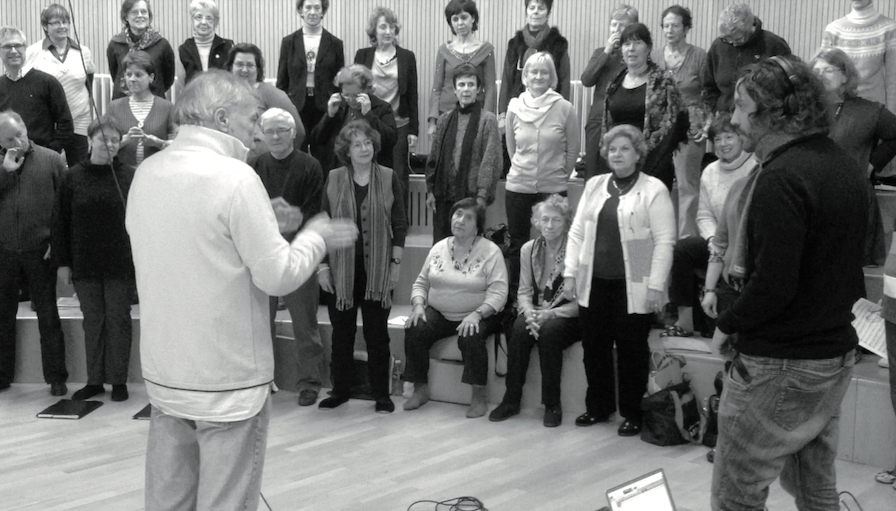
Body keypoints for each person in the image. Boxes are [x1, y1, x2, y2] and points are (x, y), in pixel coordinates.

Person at [125, 70, 357, 511]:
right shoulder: (236, 178)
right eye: (252, 118)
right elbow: (278, 277)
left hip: (166, 378)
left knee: (167, 503)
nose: (258, 128)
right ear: (221, 117)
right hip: (226, 387)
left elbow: (195, 238)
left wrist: (263, 220)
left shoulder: (146, 173)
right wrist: (316, 234)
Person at [710, 55, 869, 511]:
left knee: (736, 495)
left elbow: (774, 286)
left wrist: (729, 322)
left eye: (741, 107)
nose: (735, 118)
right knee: (815, 488)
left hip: (781, 363)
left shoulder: (780, 178)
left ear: (772, 110)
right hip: (832, 355)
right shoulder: (841, 164)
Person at [562, 124, 675, 437]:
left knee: (631, 350)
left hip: (635, 279)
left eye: (625, 148)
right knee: (594, 347)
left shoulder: (653, 189)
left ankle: (632, 412)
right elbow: (576, 232)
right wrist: (570, 273)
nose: (618, 154)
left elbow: (665, 241)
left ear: (638, 153)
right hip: (593, 279)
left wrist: (655, 284)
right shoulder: (596, 184)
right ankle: (598, 407)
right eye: (613, 149)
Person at [317, 120, 406, 414]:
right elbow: (322, 225)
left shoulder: (390, 177)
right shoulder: (333, 178)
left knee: (377, 336)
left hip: (377, 272)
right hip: (341, 271)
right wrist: (322, 268)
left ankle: (381, 394)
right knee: (341, 335)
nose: (364, 148)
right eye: (357, 144)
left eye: (367, 142)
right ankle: (339, 390)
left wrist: (395, 265)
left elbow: (400, 224)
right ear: (347, 150)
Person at [52, 117, 135, 403]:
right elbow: (59, 222)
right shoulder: (72, 177)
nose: (109, 144)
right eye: (103, 139)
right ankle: (95, 381)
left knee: (119, 320)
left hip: (120, 264)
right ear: (90, 140)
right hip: (84, 262)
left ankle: (119, 380)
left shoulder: (130, 176)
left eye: (114, 139)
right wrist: (63, 262)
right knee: (93, 322)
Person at [402, 198, 508, 418]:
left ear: (477, 226)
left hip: (480, 312)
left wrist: (477, 314)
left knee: (470, 335)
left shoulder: (490, 251)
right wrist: (419, 305)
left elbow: (499, 293)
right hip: (440, 312)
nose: (460, 220)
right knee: (415, 327)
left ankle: (479, 396)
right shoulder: (439, 247)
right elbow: (421, 283)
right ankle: (420, 389)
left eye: (468, 217)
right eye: (458, 214)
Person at [252, 108, 324, 407]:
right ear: (262, 135)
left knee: (304, 324)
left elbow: (311, 212)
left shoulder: (310, 166)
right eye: (270, 131)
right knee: (258, 322)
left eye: (282, 129)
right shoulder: (255, 166)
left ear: (293, 133)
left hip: (297, 255)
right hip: (262, 254)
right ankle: (261, 380)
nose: (276, 136)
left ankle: (309, 381)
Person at [488, 194, 579, 428]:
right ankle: (511, 399)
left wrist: (550, 313)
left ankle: (552, 404)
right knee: (519, 328)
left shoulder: (576, 252)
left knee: (549, 333)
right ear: (536, 222)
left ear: (566, 222)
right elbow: (524, 291)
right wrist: (528, 311)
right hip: (537, 311)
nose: (549, 225)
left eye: (556, 220)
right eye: (544, 219)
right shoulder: (529, 249)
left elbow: (581, 302)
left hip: (568, 314)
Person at [663, 113, 756, 338]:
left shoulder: (755, 167)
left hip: (745, 245)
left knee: (714, 332)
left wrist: (727, 244)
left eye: (729, 137)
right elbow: (703, 214)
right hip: (718, 242)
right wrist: (714, 240)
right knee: (682, 250)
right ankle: (684, 321)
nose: (723, 144)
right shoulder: (710, 171)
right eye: (718, 139)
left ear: (741, 138)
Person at [0, 110, 68, 396]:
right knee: (3, 317)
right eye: (10, 138)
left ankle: (56, 377)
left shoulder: (52, 159)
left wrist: (58, 241)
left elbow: (65, 206)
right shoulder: (2, 164)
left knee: (48, 316)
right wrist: (6, 171)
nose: (18, 140)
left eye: (20, 133)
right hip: (5, 250)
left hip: (41, 250)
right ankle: (2, 376)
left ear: (26, 126)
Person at [813, 47, 895, 266]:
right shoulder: (806, 111)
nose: (820, 74)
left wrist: (872, 164)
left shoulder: (869, 111)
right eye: (816, 70)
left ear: (845, 76)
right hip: (812, 200)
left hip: (851, 202)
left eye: (828, 70)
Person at [505, 52, 579, 293]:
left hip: (553, 188)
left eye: (544, 71)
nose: (538, 76)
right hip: (518, 187)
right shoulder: (514, 108)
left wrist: (558, 176)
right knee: (518, 245)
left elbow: (572, 150)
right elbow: (511, 148)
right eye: (533, 71)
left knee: (556, 244)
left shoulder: (565, 108)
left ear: (552, 77)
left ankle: (554, 294)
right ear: (525, 76)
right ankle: (519, 297)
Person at [601, 22, 685, 191]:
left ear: (648, 49)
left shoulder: (663, 81)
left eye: (637, 43)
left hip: (654, 167)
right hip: (621, 166)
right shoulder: (615, 83)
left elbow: (675, 125)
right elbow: (607, 126)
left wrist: (644, 160)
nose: (631, 49)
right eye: (626, 43)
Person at [426, 63, 502, 243]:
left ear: (479, 89)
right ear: (454, 89)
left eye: (471, 85)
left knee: (469, 248)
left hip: (472, 199)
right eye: (461, 85)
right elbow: (434, 157)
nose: (466, 90)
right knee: (442, 247)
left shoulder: (487, 120)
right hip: (443, 198)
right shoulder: (445, 119)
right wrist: (430, 190)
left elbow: (490, 160)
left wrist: (482, 196)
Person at [354, 7, 419, 208]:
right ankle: (372, 213)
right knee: (369, 168)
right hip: (370, 122)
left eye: (392, 27)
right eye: (383, 27)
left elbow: (413, 95)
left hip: (399, 124)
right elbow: (356, 89)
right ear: (374, 30)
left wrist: (414, 130)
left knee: (399, 173)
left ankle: (399, 220)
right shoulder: (363, 55)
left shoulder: (407, 57)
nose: (388, 31)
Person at [656, 5, 707, 239]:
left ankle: (686, 243)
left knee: (688, 187)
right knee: (656, 186)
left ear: (686, 28)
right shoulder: (655, 56)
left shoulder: (699, 56)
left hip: (691, 128)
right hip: (660, 129)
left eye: (675, 25)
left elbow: (711, 93)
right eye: (666, 25)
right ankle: (659, 239)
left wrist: (708, 124)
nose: (669, 30)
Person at [25, 4, 95, 167]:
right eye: (56, 22)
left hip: (79, 118)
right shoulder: (33, 52)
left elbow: (89, 81)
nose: (62, 26)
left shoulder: (83, 51)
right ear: (45, 26)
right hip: (48, 122)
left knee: (80, 167)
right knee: (48, 167)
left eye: (65, 22)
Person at [277, 0, 345, 151]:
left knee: (323, 152)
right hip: (296, 105)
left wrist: (336, 108)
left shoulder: (335, 43)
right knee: (296, 151)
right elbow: (282, 80)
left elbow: (340, 81)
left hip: (325, 107)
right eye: (308, 7)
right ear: (301, 10)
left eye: (317, 8)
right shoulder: (289, 42)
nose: (312, 12)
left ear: (323, 11)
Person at [701, 3, 791, 118]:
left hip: (762, 120)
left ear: (749, 26)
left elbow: (786, 88)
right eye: (727, 39)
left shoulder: (774, 45)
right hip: (725, 120)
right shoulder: (718, 47)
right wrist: (715, 111)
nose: (732, 43)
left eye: (737, 38)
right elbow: (708, 87)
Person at [581, 4, 638, 181]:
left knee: (618, 173)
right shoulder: (600, 53)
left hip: (622, 121)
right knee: (592, 172)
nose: (617, 30)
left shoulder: (635, 55)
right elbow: (586, 80)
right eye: (614, 24)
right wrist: (606, 52)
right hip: (597, 121)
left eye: (622, 26)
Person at [427, 0, 497, 140]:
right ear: (450, 23)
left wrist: (487, 119)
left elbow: (490, 88)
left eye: (464, 17)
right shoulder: (444, 51)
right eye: (455, 19)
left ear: (473, 18)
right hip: (446, 114)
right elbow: (437, 88)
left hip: (477, 115)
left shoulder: (486, 50)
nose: (460, 23)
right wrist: (433, 121)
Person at [0, 27, 73, 158]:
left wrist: (50, 152)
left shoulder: (48, 82)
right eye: (7, 47)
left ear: (25, 48)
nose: (13, 51)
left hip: (42, 157)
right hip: (6, 158)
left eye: (18, 45)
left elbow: (65, 123)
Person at [309, 64, 397, 171]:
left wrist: (369, 115)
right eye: (346, 95)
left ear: (367, 90)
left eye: (356, 95)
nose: (351, 100)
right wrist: (329, 116)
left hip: (372, 169)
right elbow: (316, 140)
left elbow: (391, 140)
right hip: (340, 170)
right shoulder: (339, 106)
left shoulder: (382, 107)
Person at [498, 0, 571, 117]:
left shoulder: (558, 43)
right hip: (518, 110)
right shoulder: (515, 43)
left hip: (549, 111)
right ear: (526, 12)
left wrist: (562, 113)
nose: (535, 12)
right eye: (532, 8)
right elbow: (506, 79)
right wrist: (502, 113)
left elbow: (564, 81)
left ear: (548, 13)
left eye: (541, 8)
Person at [822, 0, 896, 115]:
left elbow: (893, 80)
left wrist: (891, 117)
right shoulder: (833, 29)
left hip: (874, 113)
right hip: (839, 112)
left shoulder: (889, 28)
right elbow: (825, 77)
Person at [105, 51, 176, 168]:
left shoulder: (167, 107)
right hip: (122, 174)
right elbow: (104, 146)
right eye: (128, 75)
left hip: (157, 172)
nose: (132, 79)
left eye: (138, 75)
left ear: (151, 78)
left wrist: (157, 143)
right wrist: (125, 140)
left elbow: (177, 146)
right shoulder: (114, 107)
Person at [227, 43, 304, 149]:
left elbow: (298, 131)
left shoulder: (272, 94)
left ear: (258, 69)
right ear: (231, 67)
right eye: (239, 64)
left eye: (250, 65)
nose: (244, 70)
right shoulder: (223, 94)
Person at [107, 0, 175, 100]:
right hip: (122, 106)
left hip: (154, 104)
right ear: (126, 17)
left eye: (143, 12)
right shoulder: (115, 44)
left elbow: (168, 79)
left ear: (149, 16)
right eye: (134, 12)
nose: (140, 15)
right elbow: (115, 74)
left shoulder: (162, 44)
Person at [178, 0, 234, 85]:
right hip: (194, 96)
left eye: (209, 18)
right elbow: (180, 82)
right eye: (199, 17)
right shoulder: (184, 49)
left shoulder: (228, 47)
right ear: (192, 20)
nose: (203, 22)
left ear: (215, 22)